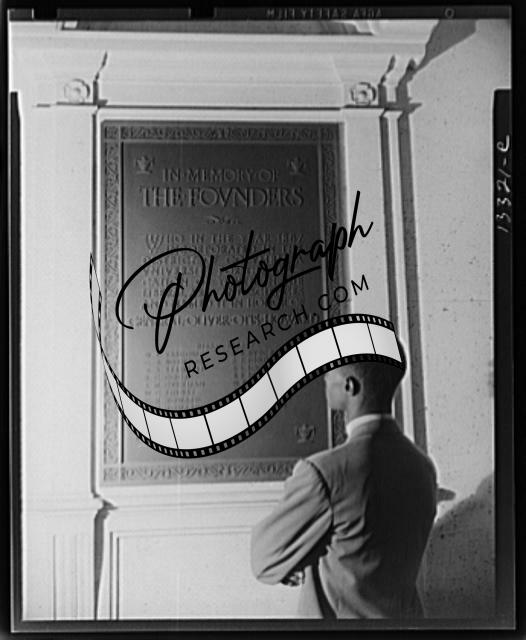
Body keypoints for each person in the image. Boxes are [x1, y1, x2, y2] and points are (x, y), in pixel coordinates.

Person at [250, 347, 437, 619]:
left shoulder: (323, 473)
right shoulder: (422, 467)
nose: (324, 379)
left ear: (350, 386)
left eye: (329, 373)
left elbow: (264, 560)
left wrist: (303, 554)